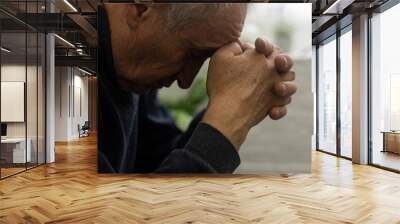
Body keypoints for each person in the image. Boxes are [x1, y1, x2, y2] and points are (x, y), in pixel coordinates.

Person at [97, 3, 297, 173]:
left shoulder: (133, 77)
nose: (186, 82)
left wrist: (232, 100)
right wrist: (230, 118)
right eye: (192, 53)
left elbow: (158, 160)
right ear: (140, 9)